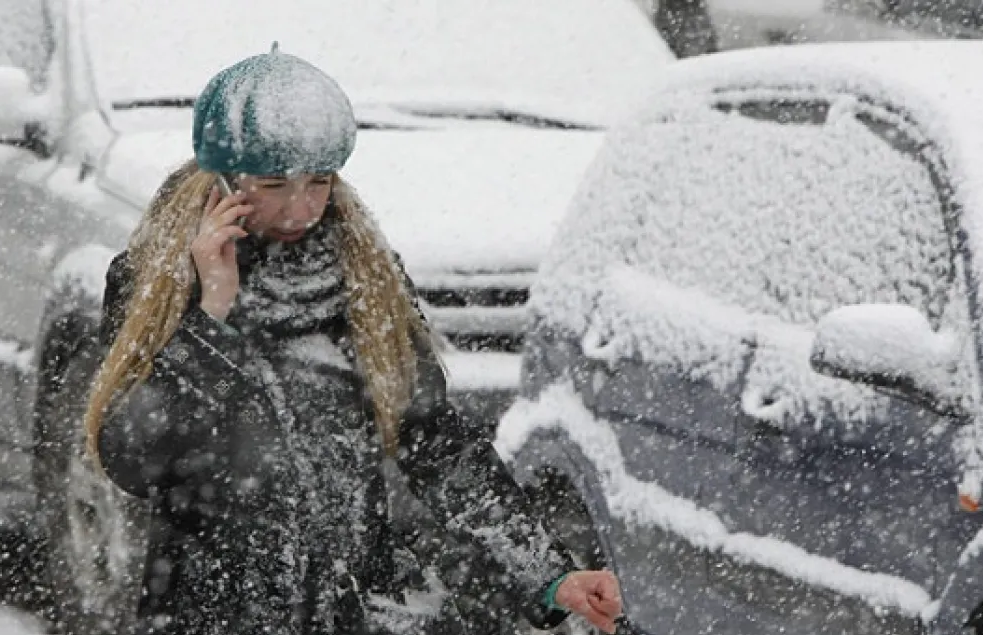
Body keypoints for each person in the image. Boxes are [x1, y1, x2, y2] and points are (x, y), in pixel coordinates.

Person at [82, 47, 623, 635]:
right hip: (211, 613)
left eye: (319, 182)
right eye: (273, 184)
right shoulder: (157, 281)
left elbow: (435, 446)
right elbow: (134, 460)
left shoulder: (365, 280)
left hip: (354, 609)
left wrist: (546, 574)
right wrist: (211, 314)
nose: (300, 207)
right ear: (222, 178)